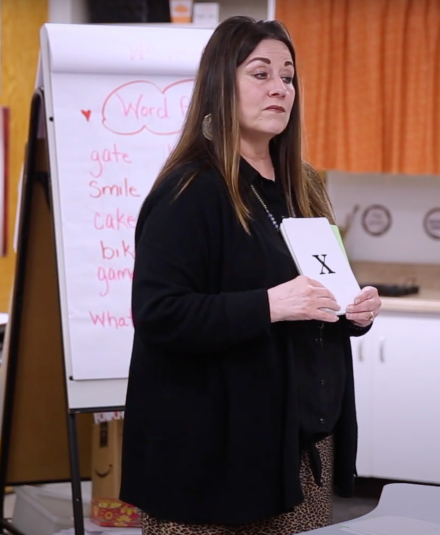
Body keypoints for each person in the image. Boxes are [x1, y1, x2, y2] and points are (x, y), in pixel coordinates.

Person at [120, 16, 383, 535]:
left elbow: (316, 288)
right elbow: (158, 314)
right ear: (222, 82)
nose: (280, 88)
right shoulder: (188, 190)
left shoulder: (301, 183)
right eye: (261, 73)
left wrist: (352, 311)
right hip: (210, 458)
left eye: (288, 76)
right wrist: (270, 304)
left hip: (299, 445)